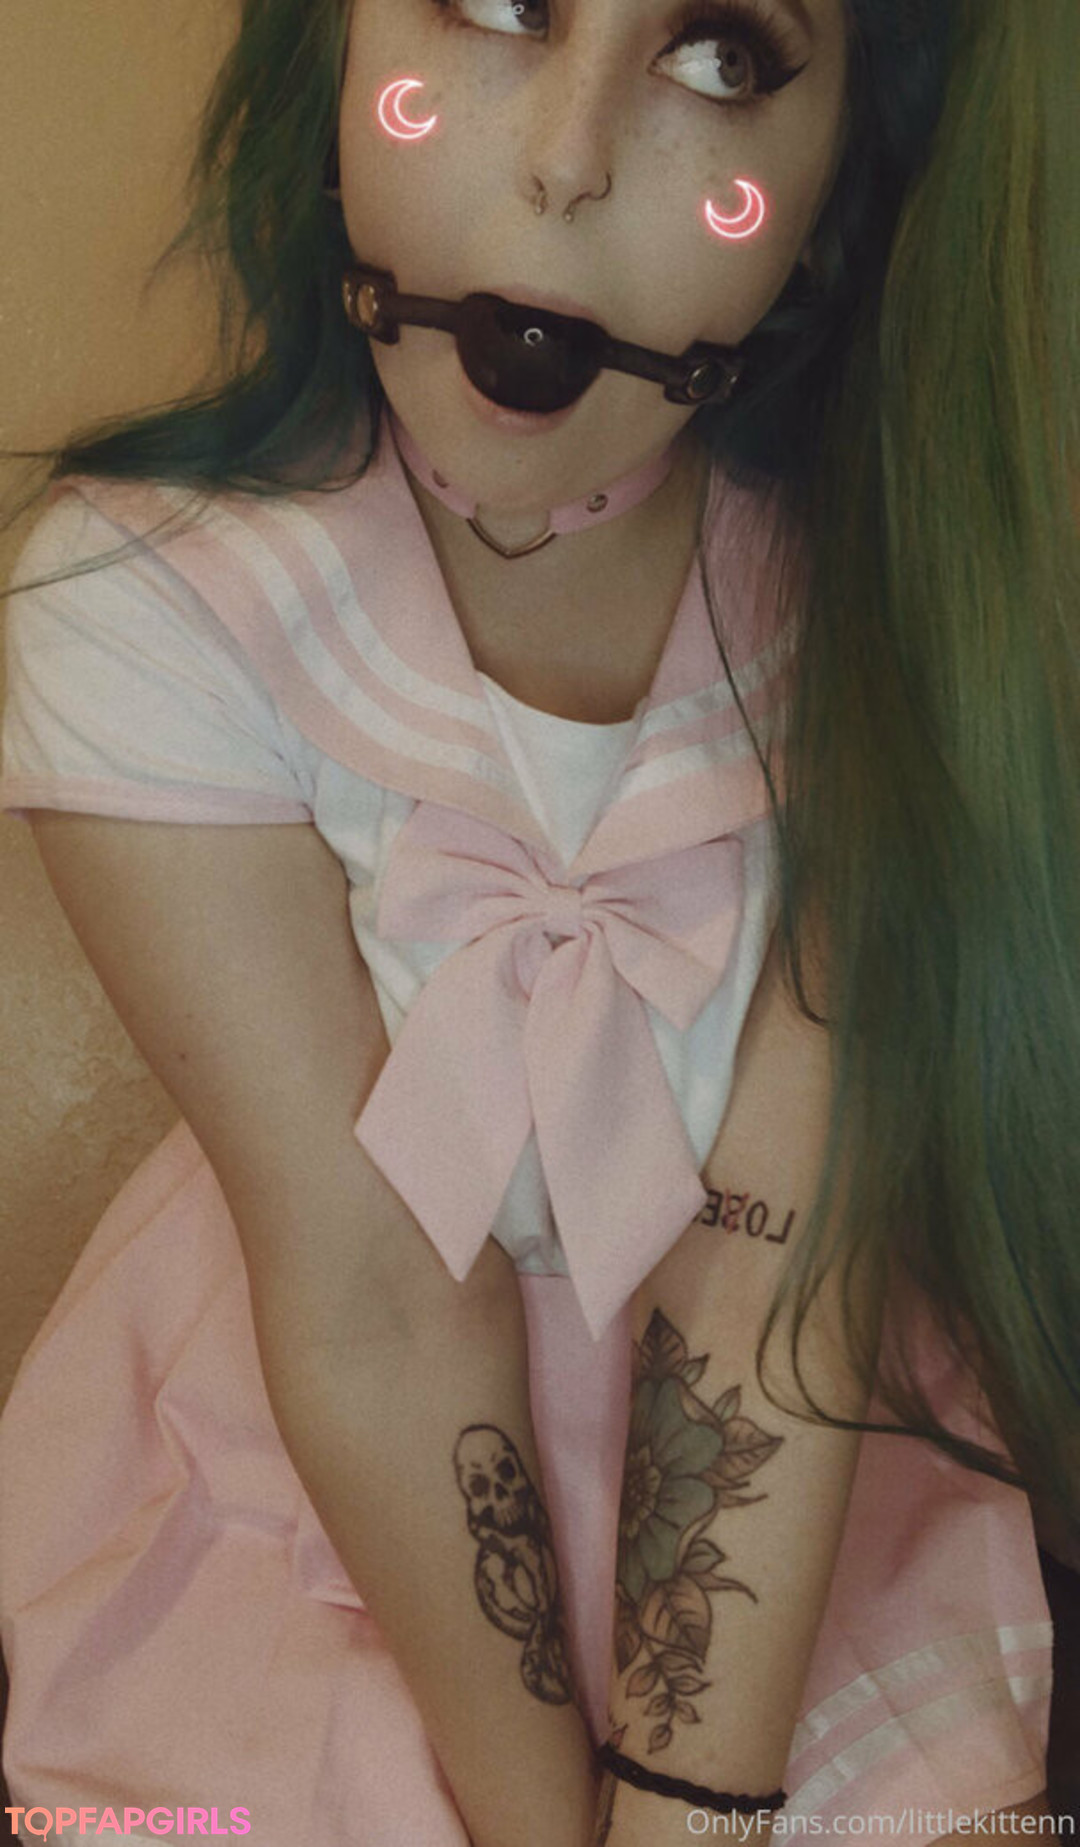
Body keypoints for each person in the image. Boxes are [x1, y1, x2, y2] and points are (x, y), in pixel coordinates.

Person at [0, 0, 1076, 1841]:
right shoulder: (140, 602)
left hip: (791, 1488)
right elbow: (371, 1299)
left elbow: (773, 1265)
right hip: (320, 1468)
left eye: (720, 57)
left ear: (838, 186)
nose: (567, 160)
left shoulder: (889, 598)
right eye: (498, 2)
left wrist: (687, 1808)